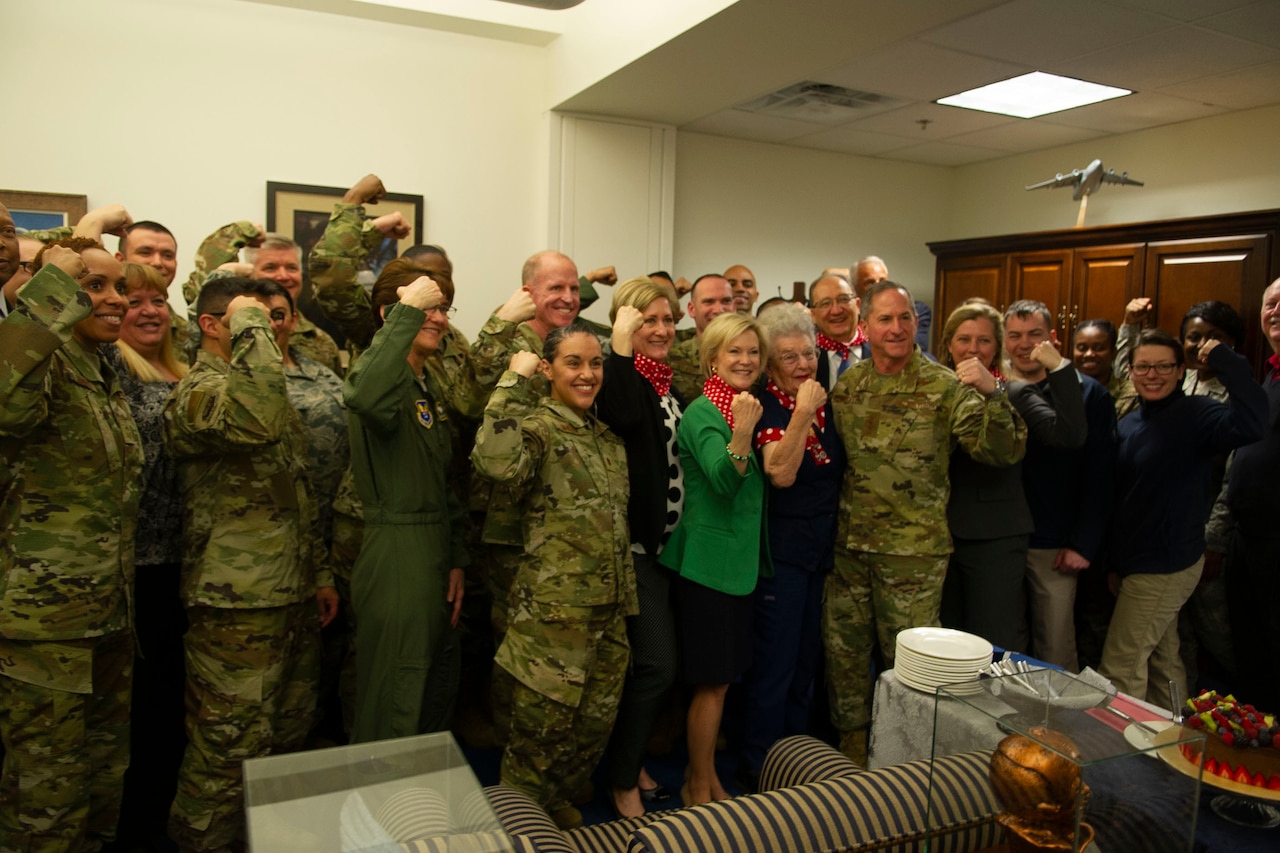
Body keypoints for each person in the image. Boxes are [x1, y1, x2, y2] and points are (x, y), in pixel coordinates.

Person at [164, 276, 339, 852]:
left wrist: (316, 573)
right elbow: (255, 420)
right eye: (251, 319)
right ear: (212, 326)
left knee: (287, 739)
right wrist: (252, 324)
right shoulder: (199, 391)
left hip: (287, 591)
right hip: (234, 601)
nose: (271, 328)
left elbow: (297, 489)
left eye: (272, 318)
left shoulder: (263, 387)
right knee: (226, 750)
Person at [826, 282, 1024, 763]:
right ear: (865, 326)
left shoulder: (944, 385)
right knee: (844, 659)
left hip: (912, 557)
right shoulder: (850, 385)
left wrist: (994, 394)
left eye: (905, 319)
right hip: (849, 551)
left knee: (910, 669)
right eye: (885, 320)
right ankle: (850, 754)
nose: (896, 329)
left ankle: (907, 760)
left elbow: (1000, 450)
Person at [0, 238, 143, 850]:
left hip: (108, 615)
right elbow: (5, 407)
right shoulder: (35, 357)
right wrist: (51, 287)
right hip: (46, 623)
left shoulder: (99, 369)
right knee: (46, 799)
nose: (116, 299)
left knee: (102, 784)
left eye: (118, 286)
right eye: (95, 285)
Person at [471, 322, 633, 830]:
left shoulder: (603, 438)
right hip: (552, 614)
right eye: (573, 363)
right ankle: (519, 827)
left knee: (591, 727)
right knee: (538, 736)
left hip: (609, 609)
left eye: (595, 364)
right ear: (547, 370)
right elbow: (494, 464)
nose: (587, 374)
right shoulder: (538, 428)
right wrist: (511, 384)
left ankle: (553, 807)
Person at [1099, 329, 1266, 703]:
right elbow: (1126, 502)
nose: (1152, 375)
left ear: (1179, 372)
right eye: (1143, 367)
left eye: (1162, 366)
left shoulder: (1197, 414)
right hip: (1135, 561)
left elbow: (1254, 424)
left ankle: (1114, 757)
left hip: (1167, 562)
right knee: (1162, 656)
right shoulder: (1128, 423)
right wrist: (1116, 563)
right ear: (1130, 370)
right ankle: (1170, 741)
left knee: (1120, 666)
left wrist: (1226, 361)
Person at [344, 262, 469, 743]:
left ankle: (419, 807)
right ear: (389, 314)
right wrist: (404, 314)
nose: (438, 318)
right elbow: (363, 396)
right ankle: (378, 811)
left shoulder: (425, 384)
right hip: (397, 551)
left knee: (432, 689)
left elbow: (443, 484)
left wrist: (456, 559)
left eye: (442, 308)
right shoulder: (379, 375)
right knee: (395, 696)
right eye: (426, 308)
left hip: (433, 550)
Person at [659, 312, 771, 806]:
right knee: (711, 685)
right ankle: (698, 785)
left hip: (736, 565)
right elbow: (726, 481)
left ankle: (705, 779)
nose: (745, 360)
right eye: (734, 352)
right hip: (708, 567)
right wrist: (744, 432)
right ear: (711, 360)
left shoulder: (743, 406)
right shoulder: (707, 412)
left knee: (721, 684)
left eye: (753, 352)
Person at [938, 300, 1085, 653]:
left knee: (992, 642)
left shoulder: (1014, 392)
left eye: (984, 340)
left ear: (996, 348)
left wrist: (1060, 369)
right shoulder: (933, 390)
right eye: (963, 339)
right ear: (948, 345)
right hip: (937, 538)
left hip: (995, 537)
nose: (973, 348)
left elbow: (1069, 436)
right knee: (947, 642)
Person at [740, 303, 846, 792]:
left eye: (809, 353)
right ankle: (760, 764)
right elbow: (780, 473)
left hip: (821, 551)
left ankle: (796, 759)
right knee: (776, 663)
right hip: (781, 554)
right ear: (770, 364)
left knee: (808, 660)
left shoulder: (828, 402)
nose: (804, 364)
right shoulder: (771, 404)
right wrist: (802, 411)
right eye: (790, 357)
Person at [596, 279, 685, 818]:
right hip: (633, 550)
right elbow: (623, 417)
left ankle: (629, 764)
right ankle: (622, 779)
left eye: (667, 320)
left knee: (648, 669)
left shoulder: (665, 383)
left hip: (669, 549)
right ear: (624, 323)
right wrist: (620, 347)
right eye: (646, 319)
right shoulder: (618, 375)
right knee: (657, 665)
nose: (660, 329)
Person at [111, 262, 190, 850]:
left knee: (169, 706)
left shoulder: (183, 369)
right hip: (135, 565)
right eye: (133, 299)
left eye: (158, 299)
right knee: (139, 710)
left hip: (181, 564)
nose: (147, 310)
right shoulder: (112, 367)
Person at [1005, 300, 1115, 673]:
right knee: (1008, 643)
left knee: (1055, 645)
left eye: (1034, 335)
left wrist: (1082, 542)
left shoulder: (1089, 395)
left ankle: (1060, 728)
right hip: (1004, 538)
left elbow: (1102, 474)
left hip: (1055, 543)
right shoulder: (998, 388)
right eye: (1015, 336)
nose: (1024, 344)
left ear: (1052, 338)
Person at [1216, 277, 1280, 710]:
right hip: (1248, 540)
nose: (1276, 311)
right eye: (1271, 303)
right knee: (1252, 659)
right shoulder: (1270, 376)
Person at [666, 274, 737, 402]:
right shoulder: (671, 360)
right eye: (708, 302)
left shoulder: (752, 359)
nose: (719, 309)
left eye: (726, 301)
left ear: (734, 307)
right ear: (692, 309)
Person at [852, 256, 931, 352]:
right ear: (855, 288)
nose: (878, 286)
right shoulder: (849, 318)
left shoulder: (917, 309)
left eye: (882, 281)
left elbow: (915, 346)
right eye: (870, 283)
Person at [809, 273, 868, 388]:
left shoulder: (880, 351)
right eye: (825, 303)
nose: (836, 310)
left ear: (858, 305)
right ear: (813, 315)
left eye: (843, 299)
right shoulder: (807, 360)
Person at [1072, 319, 1139, 419]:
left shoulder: (1131, 395)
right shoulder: (1060, 390)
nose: (1089, 354)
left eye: (1099, 348)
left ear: (1113, 353)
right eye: (1082, 348)